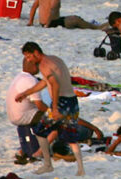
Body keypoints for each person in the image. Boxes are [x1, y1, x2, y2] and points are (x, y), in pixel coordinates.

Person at [16, 42, 86, 176]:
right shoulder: (55, 59)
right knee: (71, 136)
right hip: (72, 101)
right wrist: (26, 93)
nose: (29, 60)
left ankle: (47, 164)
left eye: (29, 57)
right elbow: (45, 82)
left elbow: (55, 85)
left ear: (36, 52)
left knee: (39, 130)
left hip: (62, 103)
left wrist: (54, 107)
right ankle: (81, 169)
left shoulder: (44, 65)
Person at [7, 54, 50, 167]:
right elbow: (40, 106)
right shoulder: (31, 80)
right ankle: (41, 149)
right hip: (24, 116)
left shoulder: (19, 77)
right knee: (54, 116)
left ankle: (25, 148)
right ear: (33, 65)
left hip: (15, 116)